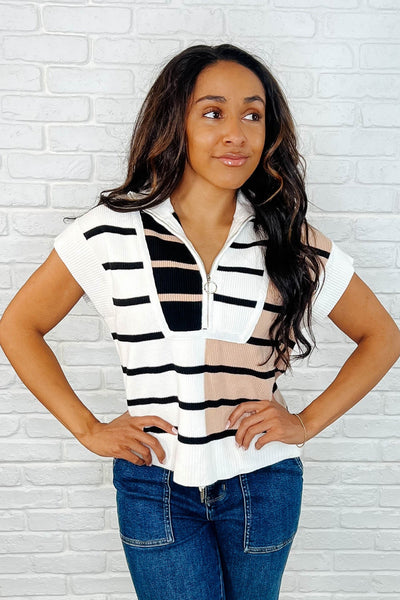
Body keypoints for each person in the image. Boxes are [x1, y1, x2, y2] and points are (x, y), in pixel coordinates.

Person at [0, 43, 399, 600]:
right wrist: (87, 429)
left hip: (262, 482)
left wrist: (305, 423)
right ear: (176, 123)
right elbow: (18, 325)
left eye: (253, 115)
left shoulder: (289, 240)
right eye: (213, 113)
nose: (236, 134)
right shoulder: (110, 232)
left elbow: (382, 336)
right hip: (154, 481)